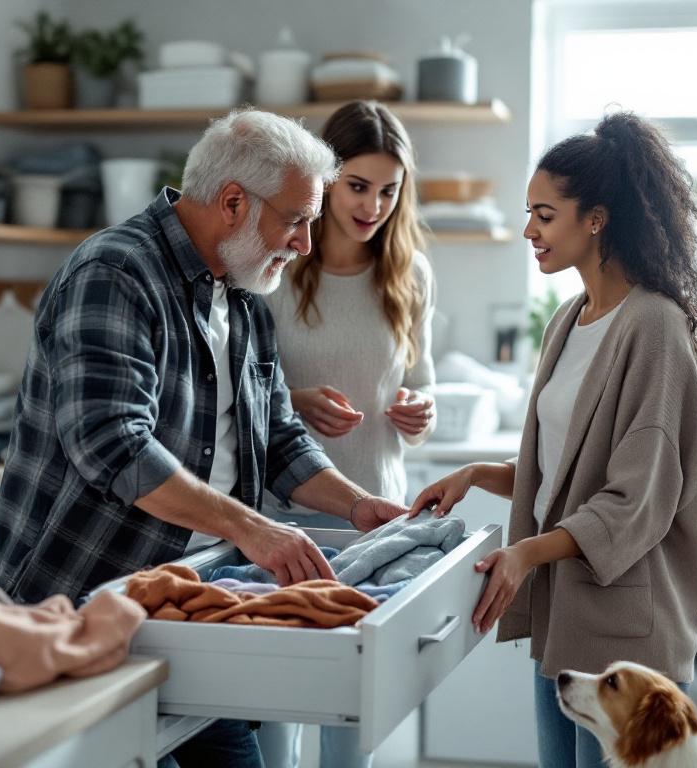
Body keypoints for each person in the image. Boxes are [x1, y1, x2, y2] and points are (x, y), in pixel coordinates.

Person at [0, 109, 410, 768]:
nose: (303, 244)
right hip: (74, 606)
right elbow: (113, 445)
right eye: (296, 220)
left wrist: (359, 508)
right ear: (234, 202)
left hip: (187, 607)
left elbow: (278, 437)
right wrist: (255, 530)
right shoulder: (116, 272)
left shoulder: (243, 298)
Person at [409, 111, 697, 768]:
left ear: (596, 218)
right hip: (569, 616)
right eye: (528, 213)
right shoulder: (569, 321)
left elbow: (634, 500)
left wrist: (524, 555)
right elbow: (566, 468)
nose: (529, 231)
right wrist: (478, 474)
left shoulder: (655, 329)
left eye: (544, 215)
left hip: (629, 640)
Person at [255, 101, 436, 768]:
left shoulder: (409, 276)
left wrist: (420, 410)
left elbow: (423, 381)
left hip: (375, 514)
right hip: (283, 520)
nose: (374, 206)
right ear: (326, 179)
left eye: (389, 190)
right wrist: (295, 403)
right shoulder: (274, 270)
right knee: (276, 708)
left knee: (350, 717)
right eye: (358, 186)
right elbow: (247, 393)